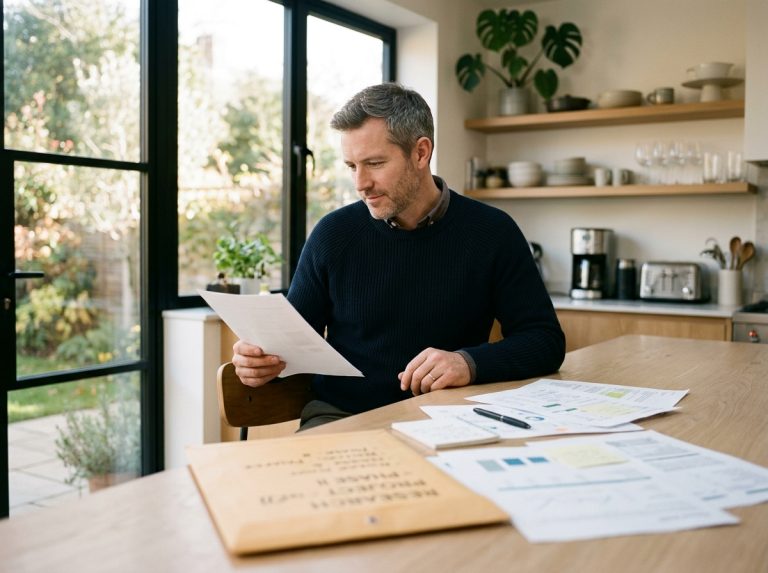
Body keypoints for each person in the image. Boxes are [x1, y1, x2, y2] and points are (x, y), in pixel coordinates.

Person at [232, 82, 565, 429]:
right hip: (345, 417)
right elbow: (290, 343)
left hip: (450, 417)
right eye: (351, 166)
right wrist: (258, 359)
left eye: (375, 163)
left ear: (421, 153)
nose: (360, 183)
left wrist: (468, 363)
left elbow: (544, 340)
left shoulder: (492, 232)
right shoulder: (332, 235)